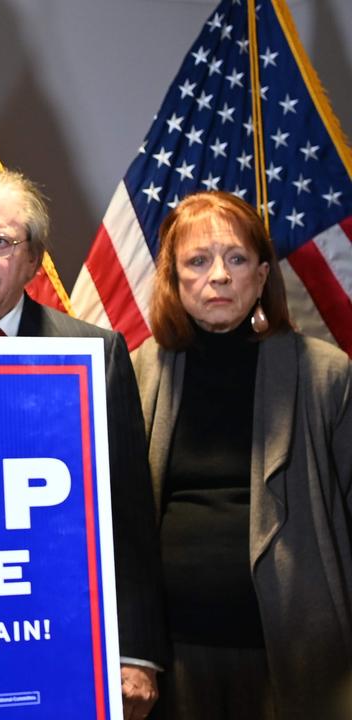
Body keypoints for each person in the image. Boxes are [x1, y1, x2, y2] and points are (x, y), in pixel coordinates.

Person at [0, 167, 168, 719]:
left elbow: (128, 516)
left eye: (0, 241)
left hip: (59, 629)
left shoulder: (97, 352)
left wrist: (136, 651)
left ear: (34, 257)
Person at [131, 191, 352, 720]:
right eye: (198, 261)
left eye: (235, 259)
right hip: (171, 659)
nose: (220, 276)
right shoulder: (138, 370)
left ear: (261, 275)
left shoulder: (326, 374)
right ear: (174, 277)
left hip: (294, 658)